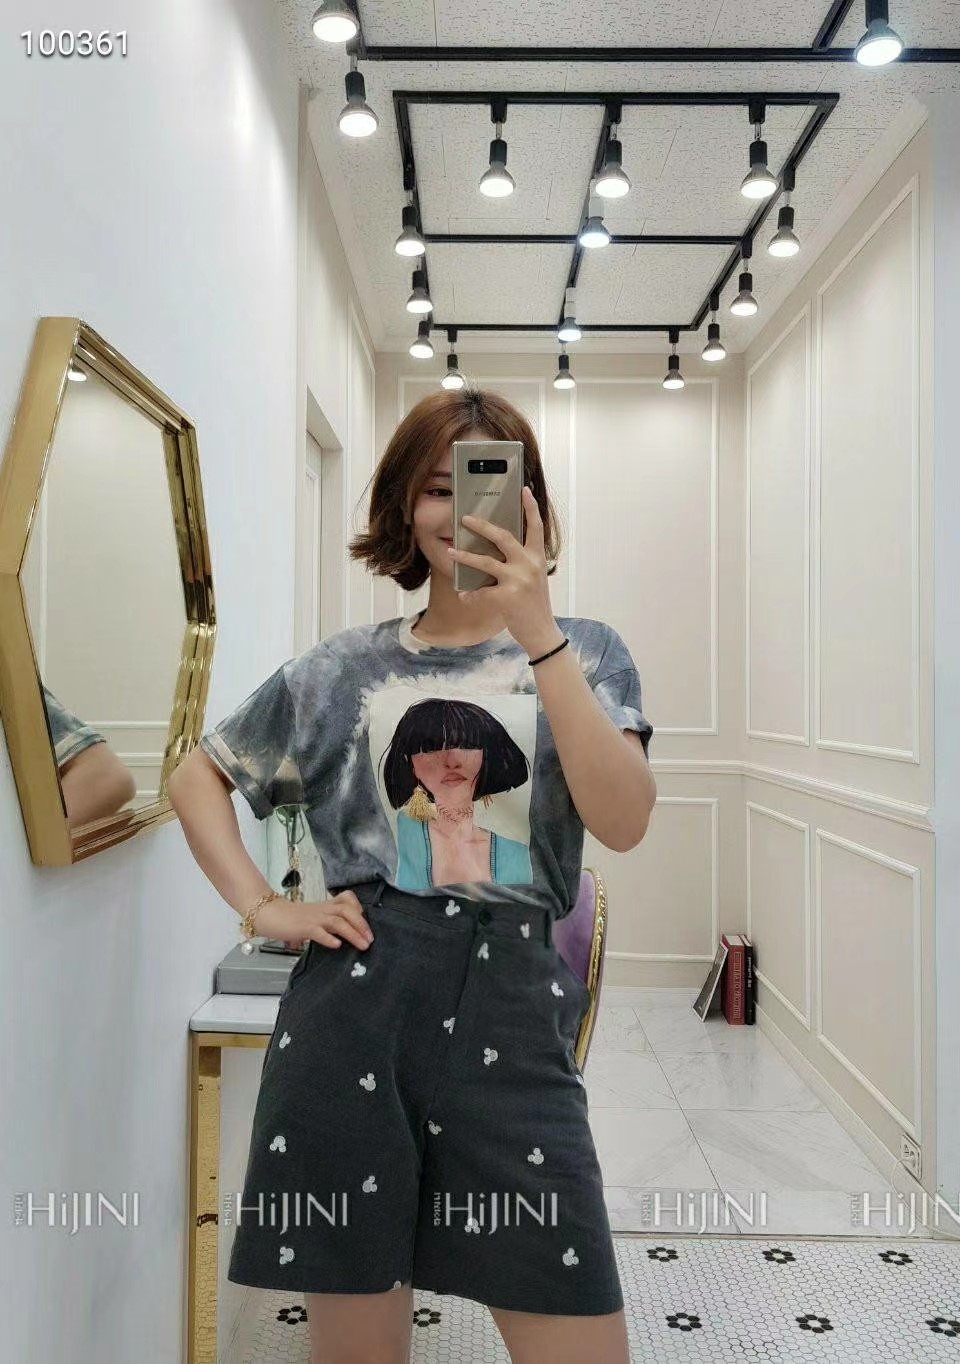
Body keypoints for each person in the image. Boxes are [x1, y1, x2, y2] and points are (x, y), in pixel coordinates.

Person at [169, 387, 656, 1364]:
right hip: (354, 1017)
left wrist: (539, 634)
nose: (461, 511)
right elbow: (196, 774)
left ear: (529, 502)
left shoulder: (587, 650)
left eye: (486, 482)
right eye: (437, 486)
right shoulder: (339, 668)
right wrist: (264, 906)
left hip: (514, 1018)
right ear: (403, 504)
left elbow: (625, 819)